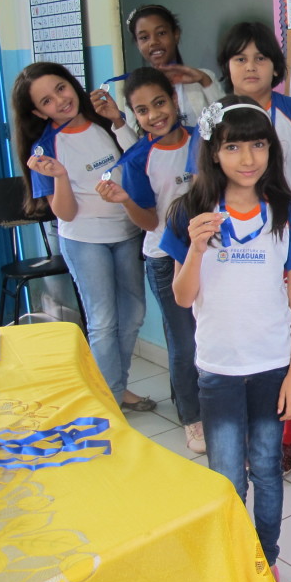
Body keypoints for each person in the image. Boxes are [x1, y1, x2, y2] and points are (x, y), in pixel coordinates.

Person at [161, 96, 291, 582]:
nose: (248, 158)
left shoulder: (287, 213)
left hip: (273, 367)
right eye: (233, 146)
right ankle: (233, 559)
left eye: (258, 145)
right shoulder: (189, 211)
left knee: (268, 472)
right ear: (213, 152)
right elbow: (184, 298)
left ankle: (264, 561)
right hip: (218, 370)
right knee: (227, 476)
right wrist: (193, 247)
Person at [216, 21, 291, 474]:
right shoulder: (218, 118)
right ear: (227, 66)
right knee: (243, 341)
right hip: (233, 253)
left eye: (260, 57)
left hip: (290, 249)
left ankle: (289, 434)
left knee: (289, 345)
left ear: (275, 66)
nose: (250, 66)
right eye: (240, 58)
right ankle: (247, 428)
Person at [13, 62, 152, 411]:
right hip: (84, 240)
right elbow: (66, 214)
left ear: (72, 84)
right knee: (103, 321)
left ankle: (113, 387)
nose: (60, 101)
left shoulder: (103, 122)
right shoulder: (46, 151)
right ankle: (108, 400)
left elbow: (139, 160)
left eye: (61, 88)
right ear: (37, 112)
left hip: (126, 231)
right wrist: (59, 176)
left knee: (133, 313)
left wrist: (119, 120)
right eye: (46, 101)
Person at [98, 67, 203, 453]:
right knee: (184, 342)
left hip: (210, 256)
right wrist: (125, 200)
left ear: (175, 101)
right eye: (142, 110)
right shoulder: (138, 159)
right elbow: (149, 221)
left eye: (160, 103)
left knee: (211, 336)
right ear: (134, 117)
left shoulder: (203, 142)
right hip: (164, 258)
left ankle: (213, 408)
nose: (154, 114)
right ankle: (192, 419)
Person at [89, 3, 221, 128]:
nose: (154, 42)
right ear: (137, 44)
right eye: (144, 38)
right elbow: (136, 148)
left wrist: (205, 81)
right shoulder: (134, 90)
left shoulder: (204, 77)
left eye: (161, 33)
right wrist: (117, 120)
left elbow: (228, 123)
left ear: (175, 34)